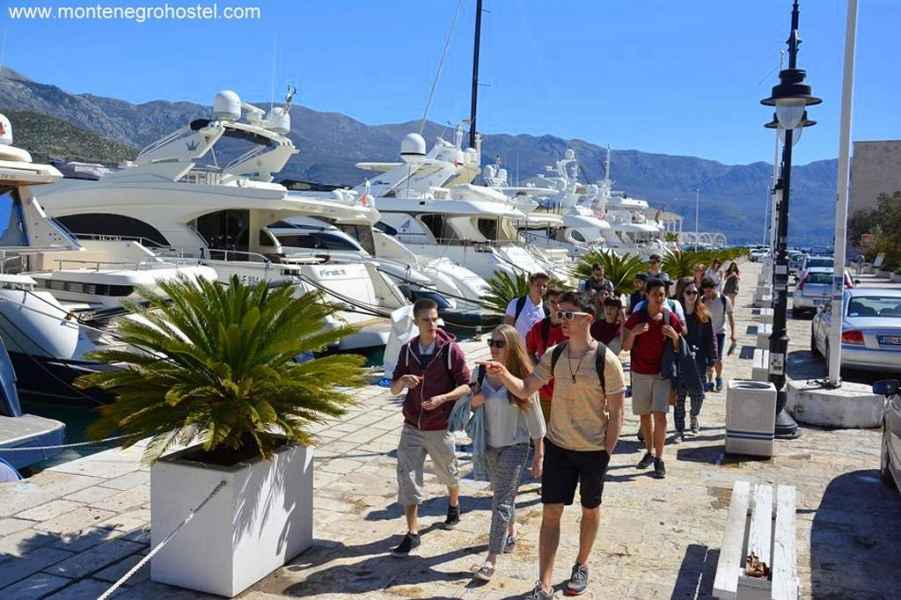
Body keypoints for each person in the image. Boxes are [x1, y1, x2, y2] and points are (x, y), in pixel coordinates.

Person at [482, 291, 626, 599]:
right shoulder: (554, 354)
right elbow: (525, 389)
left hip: (593, 451)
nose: (561, 319)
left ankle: (581, 564)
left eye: (568, 315)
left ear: (588, 319)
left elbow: (617, 412)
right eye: (560, 314)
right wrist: (504, 373)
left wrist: (607, 451)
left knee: (590, 509)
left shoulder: (607, 361)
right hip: (558, 446)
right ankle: (544, 584)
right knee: (550, 513)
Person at [390, 298, 472, 557]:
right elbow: (393, 388)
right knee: (407, 478)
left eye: (435, 319)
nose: (432, 324)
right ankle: (412, 533)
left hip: (439, 426)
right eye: (426, 320)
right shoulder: (407, 350)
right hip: (412, 426)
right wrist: (402, 380)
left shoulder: (451, 350)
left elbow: (467, 385)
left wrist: (443, 398)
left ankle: (454, 503)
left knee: (448, 472)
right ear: (415, 322)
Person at [469, 325, 547, 582]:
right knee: (504, 492)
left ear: (512, 347)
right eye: (492, 342)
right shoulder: (479, 371)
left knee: (500, 501)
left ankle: (491, 558)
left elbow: (536, 419)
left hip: (515, 445)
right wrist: (473, 401)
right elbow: (469, 403)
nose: (494, 347)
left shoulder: (524, 376)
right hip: (489, 444)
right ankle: (511, 532)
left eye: (500, 343)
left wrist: (539, 455)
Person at [623, 278, 682, 479]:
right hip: (639, 373)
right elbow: (626, 346)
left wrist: (674, 336)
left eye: (662, 294)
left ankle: (659, 458)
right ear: (646, 295)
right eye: (656, 294)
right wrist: (634, 333)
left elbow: (680, 346)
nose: (659, 298)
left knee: (660, 415)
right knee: (645, 415)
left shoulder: (670, 317)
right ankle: (648, 452)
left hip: (661, 374)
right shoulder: (636, 318)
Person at [674, 277, 716, 441]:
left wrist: (712, 360)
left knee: (698, 395)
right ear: (682, 293)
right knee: (680, 397)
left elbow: (710, 339)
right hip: (680, 361)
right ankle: (679, 429)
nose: (692, 295)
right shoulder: (676, 314)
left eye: (695, 292)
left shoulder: (704, 314)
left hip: (698, 361)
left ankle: (694, 415)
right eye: (688, 292)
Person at [526, 288, 567, 424]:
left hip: (568, 392)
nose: (557, 307)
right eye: (553, 302)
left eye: (560, 302)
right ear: (547, 304)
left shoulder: (572, 326)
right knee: (545, 433)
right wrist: (538, 368)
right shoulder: (539, 327)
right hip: (545, 392)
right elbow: (529, 351)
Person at [701, 277, 736, 393]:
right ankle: (709, 382)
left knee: (718, 359)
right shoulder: (702, 300)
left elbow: (730, 317)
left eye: (709, 291)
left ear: (714, 289)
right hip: (706, 333)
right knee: (707, 360)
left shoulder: (723, 299)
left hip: (719, 332)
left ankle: (718, 377)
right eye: (704, 291)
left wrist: (733, 334)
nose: (707, 294)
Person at [505, 272, 550, 340]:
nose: (541, 288)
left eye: (544, 286)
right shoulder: (516, 304)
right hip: (518, 350)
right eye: (538, 285)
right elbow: (506, 330)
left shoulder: (547, 309)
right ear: (530, 285)